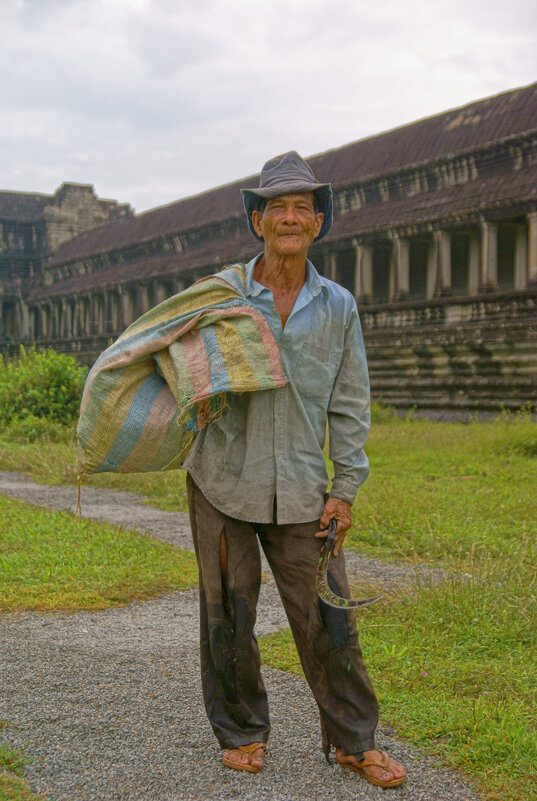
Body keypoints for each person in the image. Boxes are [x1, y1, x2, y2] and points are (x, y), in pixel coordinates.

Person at [182, 151, 406, 788]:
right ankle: (242, 730)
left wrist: (345, 490)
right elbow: (174, 367)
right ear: (257, 221)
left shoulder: (337, 306)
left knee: (328, 616)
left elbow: (350, 403)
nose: (288, 217)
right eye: (275, 207)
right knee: (228, 610)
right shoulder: (222, 295)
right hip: (223, 477)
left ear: (318, 221)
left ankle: (353, 741)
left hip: (307, 487)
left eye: (300, 208)